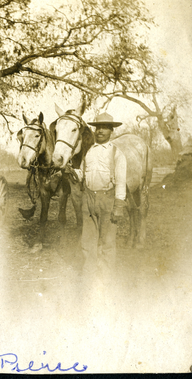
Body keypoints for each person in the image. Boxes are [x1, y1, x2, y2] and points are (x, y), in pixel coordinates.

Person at [76, 112, 127, 287]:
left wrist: (119, 205)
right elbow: (82, 174)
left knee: (107, 241)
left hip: (108, 200)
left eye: (105, 128)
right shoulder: (88, 152)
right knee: (88, 240)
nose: (100, 131)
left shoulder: (117, 154)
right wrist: (69, 170)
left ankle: (106, 278)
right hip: (89, 199)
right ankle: (88, 275)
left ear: (111, 131)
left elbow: (121, 181)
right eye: (98, 127)